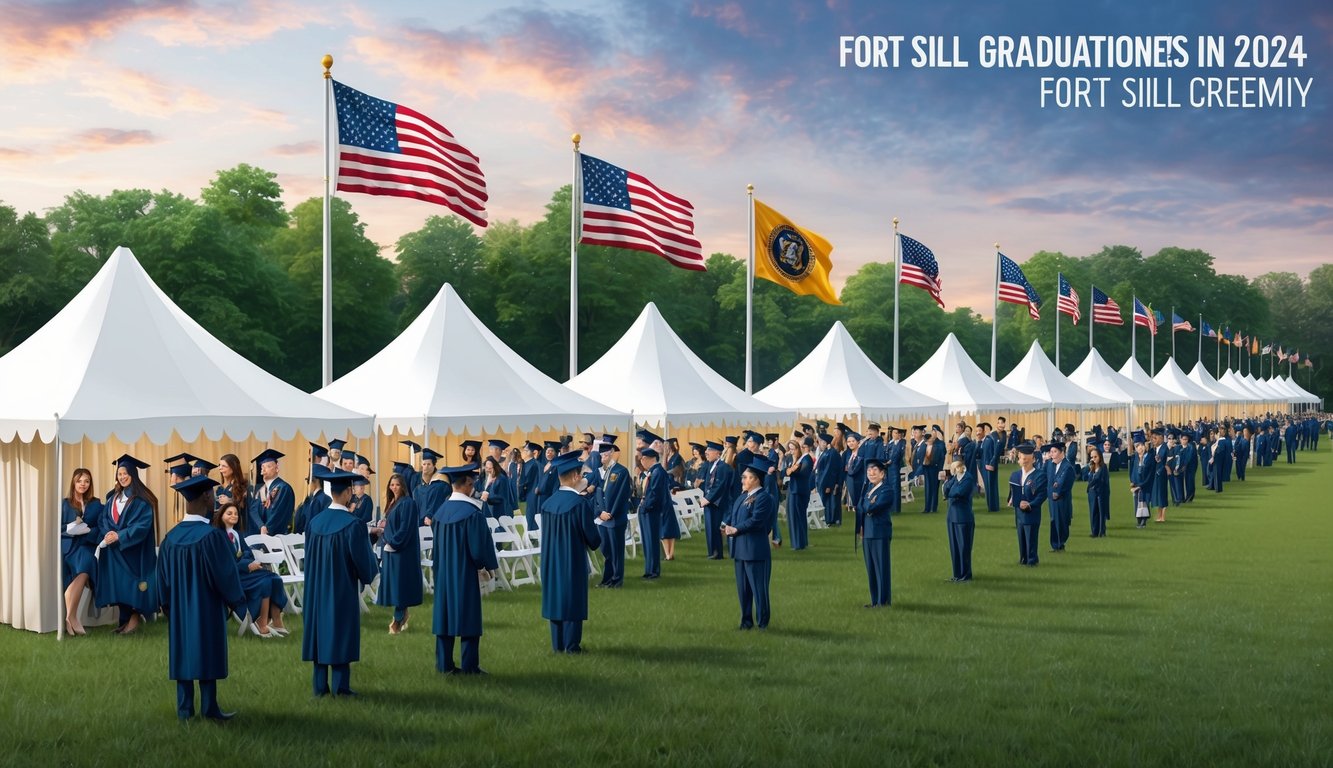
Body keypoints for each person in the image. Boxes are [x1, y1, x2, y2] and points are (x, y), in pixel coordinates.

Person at [156, 475, 247, 721]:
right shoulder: (211, 536)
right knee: (207, 651)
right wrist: (235, 600)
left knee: (183, 651)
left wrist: (167, 605)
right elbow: (225, 574)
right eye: (212, 494)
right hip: (206, 606)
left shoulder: (170, 538)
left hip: (179, 609)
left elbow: (162, 579)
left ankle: (185, 709)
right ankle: (210, 708)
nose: (215, 498)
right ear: (206, 497)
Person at [301, 467, 379, 697]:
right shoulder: (352, 523)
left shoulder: (314, 523)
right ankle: (341, 687)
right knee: (340, 629)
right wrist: (370, 576)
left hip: (315, 587)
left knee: (320, 631)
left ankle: (319, 687)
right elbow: (362, 559)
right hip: (340, 586)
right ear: (346, 493)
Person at [432, 464, 500, 675]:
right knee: (468, 616)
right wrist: (487, 567)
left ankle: (445, 665)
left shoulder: (440, 513)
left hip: (443, 572)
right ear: (468, 484)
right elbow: (479, 549)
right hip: (464, 572)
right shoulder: (472, 513)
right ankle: (470, 666)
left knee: (444, 616)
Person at [539, 452, 601, 653]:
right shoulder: (579, 504)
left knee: (556, 597)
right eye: (581, 474)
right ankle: (572, 646)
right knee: (572, 598)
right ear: (575, 477)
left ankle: (557, 645)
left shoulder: (547, 504)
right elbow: (593, 539)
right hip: (572, 558)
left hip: (550, 558)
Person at [96, 454, 159, 635]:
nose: (122, 477)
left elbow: (142, 525)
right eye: (119, 474)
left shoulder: (142, 499)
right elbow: (104, 519)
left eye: (125, 473)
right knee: (119, 585)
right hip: (116, 551)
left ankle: (134, 617)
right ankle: (125, 620)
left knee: (132, 585)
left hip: (132, 551)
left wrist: (120, 535)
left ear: (133, 474)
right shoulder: (113, 498)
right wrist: (108, 534)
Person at [214, 502, 288, 637]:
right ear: (221, 516)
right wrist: (246, 566)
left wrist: (249, 563)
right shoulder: (217, 536)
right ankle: (262, 622)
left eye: (236, 513)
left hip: (244, 572)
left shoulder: (238, 534)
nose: (234, 516)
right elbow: (223, 562)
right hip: (232, 577)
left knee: (275, 578)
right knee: (265, 582)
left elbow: (247, 552)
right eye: (229, 513)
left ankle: (276, 621)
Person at [722, 455, 776, 630]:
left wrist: (736, 529)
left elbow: (756, 521)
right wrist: (726, 525)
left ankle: (763, 623)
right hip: (740, 550)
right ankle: (746, 621)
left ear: (756, 479)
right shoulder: (742, 496)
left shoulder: (764, 498)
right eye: (743, 477)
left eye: (746, 477)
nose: (743, 479)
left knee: (758, 589)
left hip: (755, 550)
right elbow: (734, 516)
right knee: (743, 590)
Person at [376, 473, 423, 635]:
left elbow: (405, 528)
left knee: (400, 587)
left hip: (401, 551)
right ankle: (402, 616)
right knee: (396, 586)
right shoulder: (392, 503)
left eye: (397, 484)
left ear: (403, 486)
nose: (394, 487)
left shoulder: (408, 503)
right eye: (391, 484)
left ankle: (397, 621)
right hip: (390, 548)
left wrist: (393, 543)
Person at [61, 467, 103, 636]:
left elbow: (100, 526)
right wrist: (72, 527)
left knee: (87, 564)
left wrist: (88, 531)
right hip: (70, 547)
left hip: (87, 545)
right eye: (79, 481)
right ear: (73, 482)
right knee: (83, 567)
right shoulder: (65, 503)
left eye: (86, 481)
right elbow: (59, 527)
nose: (83, 484)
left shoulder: (96, 503)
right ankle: (72, 618)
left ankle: (71, 617)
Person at [595, 442, 631, 588]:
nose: (602, 457)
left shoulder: (621, 471)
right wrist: (600, 512)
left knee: (616, 551)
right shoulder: (601, 471)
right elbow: (598, 493)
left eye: (604, 455)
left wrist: (611, 513)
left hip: (615, 518)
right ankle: (607, 578)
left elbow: (622, 495)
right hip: (603, 518)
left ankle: (617, 580)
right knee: (606, 551)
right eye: (600, 455)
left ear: (610, 453)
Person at [859, 458, 894, 605]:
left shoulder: (886, 489)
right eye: (869, 471)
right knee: (871, 569)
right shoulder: (868, 490)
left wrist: (868, 504)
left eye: (875, 470)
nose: (871, 473)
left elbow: (870, 507)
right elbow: (862, 505)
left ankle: (883, 601)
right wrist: (868, 503)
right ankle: (875, 600)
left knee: (881, 567)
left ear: (882, 474)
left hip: (879, 532)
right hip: (867, 532)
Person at [1007, 444, 1047, 567]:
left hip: (1032, 512)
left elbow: (1042, 495)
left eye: (1026, 459)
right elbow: (1012, 491)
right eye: (1021, 459)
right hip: (1018, 512)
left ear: (1033, 460)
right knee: (1021, 535)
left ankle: (1032, 559)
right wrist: (1011, 499)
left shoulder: (1040, 475)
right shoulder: (1015, 475)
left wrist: (1030, 504)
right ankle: (1023, 558)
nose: (1023, 462)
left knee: (1031, 536)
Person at [637, 447, 670, 579]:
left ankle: (653, 570)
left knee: (652, 541)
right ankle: (649, 569)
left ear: (650, 459)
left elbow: (655, 494)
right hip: (647, 511)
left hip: (652, 512)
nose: (641, 461)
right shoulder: (653, 472)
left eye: (643, 459)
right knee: (647, 541)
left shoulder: (658, 472)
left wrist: (645, 506)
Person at [941, 460, 975, 582]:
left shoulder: (968, 478)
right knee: (954, 547)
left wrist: (949, 491)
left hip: (963, 517)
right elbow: (946, 489)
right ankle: (957, 574)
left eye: (953, 467)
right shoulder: (955, 478)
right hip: (952, 516)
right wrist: (949, 490)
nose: (952, 470)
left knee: (963, 547)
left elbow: (959, 492)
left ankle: (965, 574)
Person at [699, 440, 733, 560]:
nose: (706, 452)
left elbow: (719, 486)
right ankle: (712, 551)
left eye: (709, 450)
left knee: (715, 527)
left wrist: (707, 499)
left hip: (717, 503)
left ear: (718, 453)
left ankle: (717, 552)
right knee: (710, 527)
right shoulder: (710, 465)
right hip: (710, 501)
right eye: (707, 450)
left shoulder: (723, 467)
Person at [249, 449, 294, 536]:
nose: (264, 470)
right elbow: (253, 510)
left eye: (268, 466)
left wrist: (267, 529)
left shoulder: (283, 488)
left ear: (277, 468)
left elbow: (278, 512)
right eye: (262, 467)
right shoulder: (261, 490)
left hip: (276, 536)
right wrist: (261, 526)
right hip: (261, 534)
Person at [784, 437, 813, 550]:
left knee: (796, 517)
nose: (791, 451)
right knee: (795, 517)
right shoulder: (796, 459)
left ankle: (798, 543)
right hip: (794, 489)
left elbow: (803, 474)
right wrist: (790, 470)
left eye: (793, 449)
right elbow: (785, 471)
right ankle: (800, 542)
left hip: (799, 491)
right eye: (790, 449)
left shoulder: (806, 459)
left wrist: (791, 471)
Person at [1046, 442, 1074, 552]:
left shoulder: (1067, 467)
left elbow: (1067, 483)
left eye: (1055, 452)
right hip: (1051, 498)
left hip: (1062, 498)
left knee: (1062, 520)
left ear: (1062, 453)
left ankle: (1060, 543)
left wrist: (1058, 492)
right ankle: (1055, 544)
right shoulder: (1050, 465)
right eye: (1051, 452)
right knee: (1053, 520)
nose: (1052, 454)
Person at [815, 432, 843, 526]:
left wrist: (828, 485)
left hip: (826, 482)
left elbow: (830, 471)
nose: (819, 444)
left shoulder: (831, 453)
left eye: (821, 442)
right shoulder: (826, 452)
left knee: (829, 502)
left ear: (826, 443)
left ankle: (830, 520)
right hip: (822, 481)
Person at [1084, 445, 1110, 537]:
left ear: (1100, 457)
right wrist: (1089, 469)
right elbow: (1085, 478)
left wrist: (1091, 485)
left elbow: (1099, 479)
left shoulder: (1103, 468)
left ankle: (1101, 531)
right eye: (1092, 457)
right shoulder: (1092, 468)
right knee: (1093, 512)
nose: (1094, 459)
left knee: (1101, 512)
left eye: (1095, 457)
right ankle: (1094, 531)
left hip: (1100, 493)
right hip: (1092, 493)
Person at [215, 454, 249, 521]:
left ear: (233, 468)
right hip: (219, 525)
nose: (220, 468)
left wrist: (230, 502)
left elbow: (245, 509)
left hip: (236, 526)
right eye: (219, 465)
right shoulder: (219, 488)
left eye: (224, 466)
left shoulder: (242, 487)